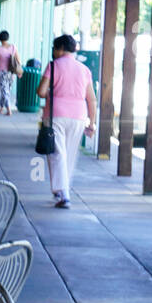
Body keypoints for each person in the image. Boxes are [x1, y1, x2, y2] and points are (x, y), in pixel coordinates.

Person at [37, 35, 96, 208]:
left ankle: (64, 194)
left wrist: (50, 93)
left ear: (60, 48)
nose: (54, 52)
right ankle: (61, 190)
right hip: (78, 116)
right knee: (68, 155)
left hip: (56, 115)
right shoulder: (84, 70)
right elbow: (91, 99)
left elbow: (40, 91)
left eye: (55, 48)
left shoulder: (53, 66)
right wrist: (91, 123)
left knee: (57, 154)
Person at [0, 30, 22, 115]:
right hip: (11, 73)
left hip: (2, 72)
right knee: (6, 90)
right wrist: (20, 72)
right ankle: (1, 108)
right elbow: (18, 61)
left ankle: (9, 110)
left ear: (0, 39)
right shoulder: (13, 47)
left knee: (4, 91)